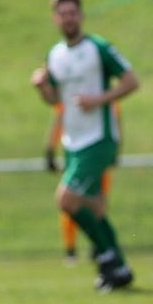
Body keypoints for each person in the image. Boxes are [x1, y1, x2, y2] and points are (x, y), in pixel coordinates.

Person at [31, 0, 139, 291]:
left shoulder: (98, 48)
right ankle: (117, 267)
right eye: (63, 13)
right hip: (73, 142)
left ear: (82, 16)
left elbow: (132, 81)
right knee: (93, 207)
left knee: (66, 199)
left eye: (73, 12)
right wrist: (42, 88)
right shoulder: (55, 55)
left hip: (99, 138)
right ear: (56, 18)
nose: (69, 18)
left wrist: (99, 99)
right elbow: (55, 100)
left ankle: (106, 255)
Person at [44, 102, 117, 265]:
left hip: (94, 152)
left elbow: (115, 121)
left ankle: (105, 251)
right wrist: (50, 148)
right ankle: (95, 251)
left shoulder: (103, 95)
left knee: (86, 202)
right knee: (78, 202)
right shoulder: (71, 94)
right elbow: (59, 115)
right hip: (76, 154)